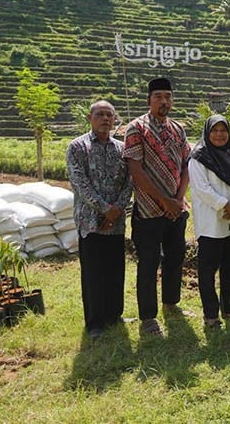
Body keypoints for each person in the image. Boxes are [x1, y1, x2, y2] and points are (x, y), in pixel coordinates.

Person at [123, 77, 191, 337]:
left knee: (176, 257)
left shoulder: (178, 129)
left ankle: (171, 303)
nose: (164, 101)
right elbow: (135, 169)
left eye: (168, 96)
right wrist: (165, 201)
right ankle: (148, 318)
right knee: (149, 262)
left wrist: (179, 198)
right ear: (149, 99)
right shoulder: (136, 128)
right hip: (149, 210)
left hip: (176, 208)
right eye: (158, 96)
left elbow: (186, 164)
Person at [66, 100, 133, 339]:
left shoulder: (121, 149)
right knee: (94, 273)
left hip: (115, 222)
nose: (105, 119)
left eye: (109, 115)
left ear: (115, 119)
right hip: (90, 221)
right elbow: (79, 183)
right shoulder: (77, 147)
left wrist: (118, 209)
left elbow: (129, 182)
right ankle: (94, 322)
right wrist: (105, 209)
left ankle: (114, 315)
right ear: (90, 117)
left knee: (115, 270)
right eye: (100, 114)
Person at [189, 115, 230, 330]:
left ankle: (229, 309)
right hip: (212, 221)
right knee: (207, 270)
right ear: (207, 133)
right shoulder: (198, 158)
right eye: (215, 130)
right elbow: (202, 189)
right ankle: (211, 314)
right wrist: (227, 205)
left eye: (223, 130)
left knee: (229, 266)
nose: (219, 134)